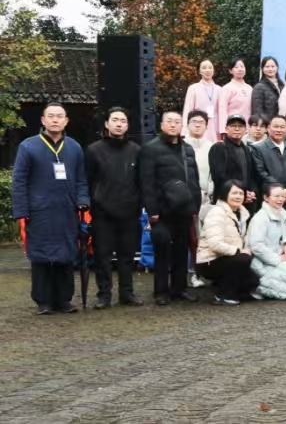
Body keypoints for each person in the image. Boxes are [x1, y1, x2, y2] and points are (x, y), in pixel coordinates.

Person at [12, 103, 90, 314]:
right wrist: (22, 210)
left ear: (66, 121)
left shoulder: (74, 147)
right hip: (40, 211)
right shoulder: (28, 146)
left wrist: (83, 200)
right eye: (51, 116)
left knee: (66, 254)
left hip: (67, 210)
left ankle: (63, 299)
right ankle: (43, 300)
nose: (55, 120)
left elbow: (81, 179)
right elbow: (19, 180)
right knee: (41, 255)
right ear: (43, 120)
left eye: (59, 116)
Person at [139, 110, 202, 306]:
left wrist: (195, 204)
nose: (173, 125)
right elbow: (146, 183)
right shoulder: (150, 148)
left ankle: (179, 288)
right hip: (162, 210)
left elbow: (194, 178)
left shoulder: (187, 149)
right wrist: (152, 211)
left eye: (177, 121)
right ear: (162, 125)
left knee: (182, 250)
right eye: (169, 121)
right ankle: (161, 291)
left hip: (184, 208)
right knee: (162, 250)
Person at [85, 107, 142, 308]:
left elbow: (141, 181)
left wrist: (138, 204)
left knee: (127, 256)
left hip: (129, 212)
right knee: (103, 257)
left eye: (123, 121)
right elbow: (88, 181)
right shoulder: (93, 150)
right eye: (115, 120)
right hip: (102, 213)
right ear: (106, 124)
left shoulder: (136, 150)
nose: (119, 124)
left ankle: (127, 293)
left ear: (127, 125)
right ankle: (104, 295)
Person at [195, 180, 259, 305]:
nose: (238, 196)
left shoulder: (242, 212)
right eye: (234, 193)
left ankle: (221, 285)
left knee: (252, 281)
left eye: (241, 193)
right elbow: (215, 244)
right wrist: (238, 251)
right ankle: (223, 296)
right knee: (243, 259)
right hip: (209, 260)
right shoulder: (217, 212)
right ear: (225, 194)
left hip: (227, 257)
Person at [245, 184, 286, 299]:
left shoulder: (279, 213)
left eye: (283, 196)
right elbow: (256, 246)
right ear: (266, 197)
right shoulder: (260, 218)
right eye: (276, 196)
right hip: (262, 261)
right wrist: (277, 259)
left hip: (277, 253)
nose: (280, 199)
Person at [250, 115, 286, 222]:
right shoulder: (258, 149)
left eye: (282, 127)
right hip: (270, 201)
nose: (279, 130)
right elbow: (261, 172)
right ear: (268, 128)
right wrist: (280, 190)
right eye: (275, 126)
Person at [208, 114, 260, 214]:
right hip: (226, 201)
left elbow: (251, 175)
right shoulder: (219, 147)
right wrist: (241, 193)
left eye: (240, 126)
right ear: (226, 129)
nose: (237, 129)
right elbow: (219, 177)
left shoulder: (246, 149)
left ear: (245, 130)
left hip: (246, 202)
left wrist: (252, 192)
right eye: (233, 126)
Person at [181, 59, 222, 139]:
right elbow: (188, 110)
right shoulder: (193, 88)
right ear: (199, 71)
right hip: (198, 125)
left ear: (213, 70)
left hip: (215, 126)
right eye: (204, 68)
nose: (208, 70)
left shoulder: (220, 89)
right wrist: (185, 128)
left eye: (210, 67)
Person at [184, 110, 215, 207]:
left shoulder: (212, 147)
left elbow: (214, 173)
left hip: (205, 198)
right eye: (194, 122)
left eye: (201, 122)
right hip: (183, 197)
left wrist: (210, 190)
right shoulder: (179, 146)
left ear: (206, 127)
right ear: (187, 125)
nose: (197, 125)